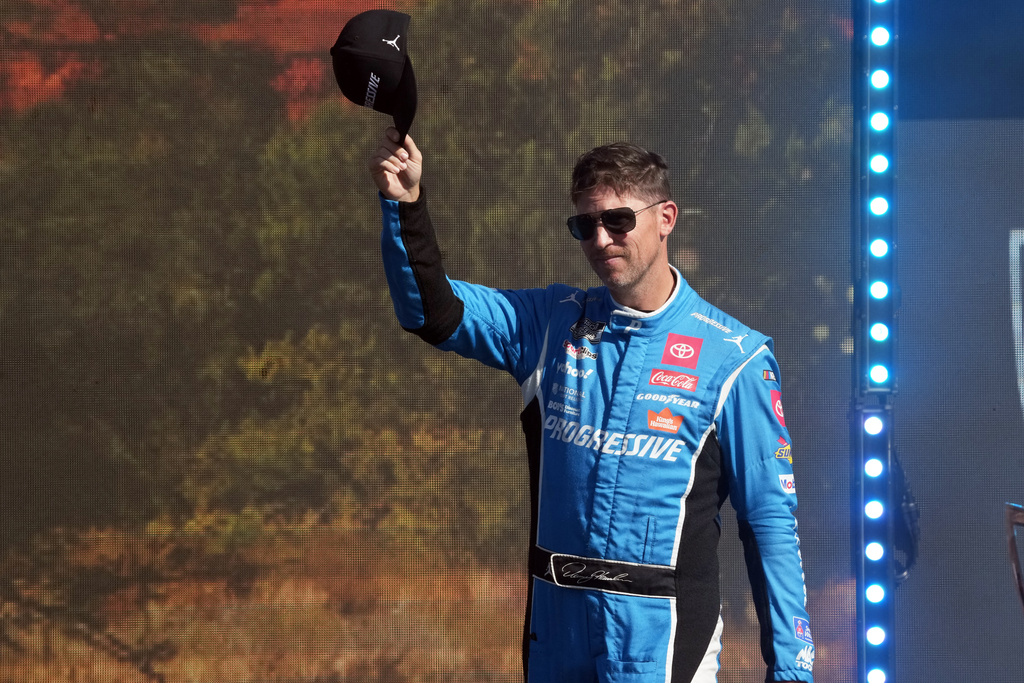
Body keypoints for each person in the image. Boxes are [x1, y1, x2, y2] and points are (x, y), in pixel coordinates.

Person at [368, 126, 814, 683]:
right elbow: (431, 311)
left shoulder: (736, 357)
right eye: (585, 225)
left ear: (666, 218)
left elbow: (769, 522)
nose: (601, 240)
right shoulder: (552, 321)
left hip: (660, 638)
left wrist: (791, 670)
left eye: (618, 220)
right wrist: (405, 204)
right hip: (557, 633)